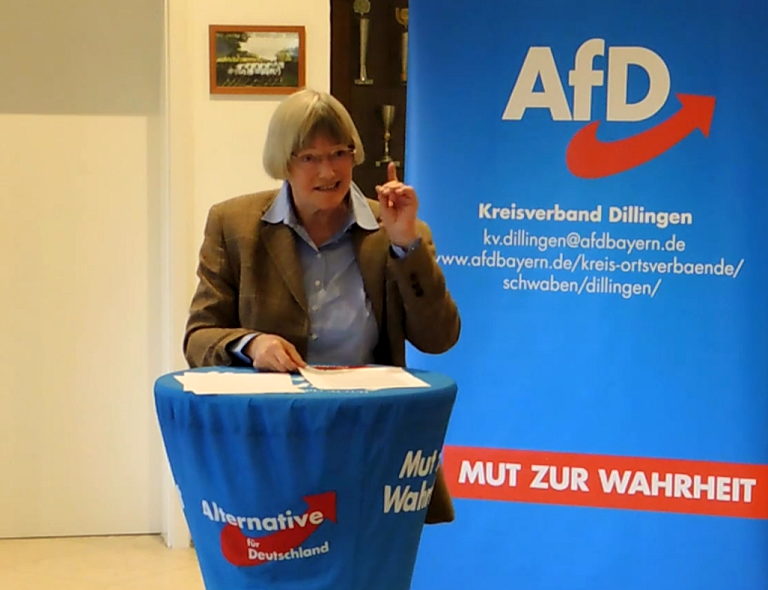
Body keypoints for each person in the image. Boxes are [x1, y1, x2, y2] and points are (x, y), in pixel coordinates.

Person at [183, 88, 461, 524]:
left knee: (366, 563)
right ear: (283, 162)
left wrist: (406, 246)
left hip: (370, 445)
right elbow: (198, 338)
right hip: (270, 446)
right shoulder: (234, 225)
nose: (328, 171)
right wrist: (251, 345)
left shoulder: (394, 229)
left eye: (339, 154)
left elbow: (439, 339)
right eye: (309, 157)